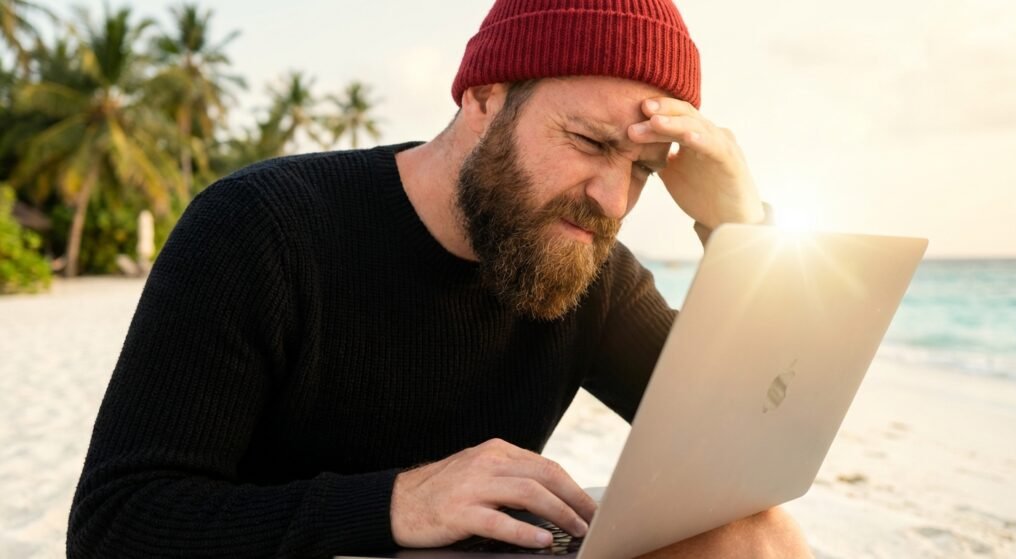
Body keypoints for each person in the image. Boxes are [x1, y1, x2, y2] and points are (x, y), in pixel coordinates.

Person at [67, 0, 813, 557]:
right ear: (483, 98)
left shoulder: (590, 268)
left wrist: (739, 229)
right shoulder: (260, 228)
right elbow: (116, 523)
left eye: (644, 170)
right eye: (589, 141)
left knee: (757, 535)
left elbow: (755, 437)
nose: (613, 200)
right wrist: (396, 501)